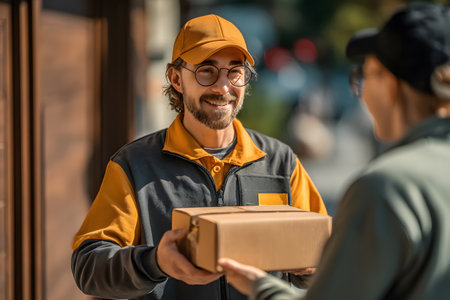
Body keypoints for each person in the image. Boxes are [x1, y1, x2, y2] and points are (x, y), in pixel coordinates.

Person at [71, 14, 328, 300]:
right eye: (207, 70)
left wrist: (312, 267)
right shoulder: (134, 165)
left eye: (235, 71)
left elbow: (325, 256)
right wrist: (154, 262)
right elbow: (88, 267)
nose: (223, 88)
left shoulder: (280, 162)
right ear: (176, 78)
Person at [218, 2, 450, 299]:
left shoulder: (389, 189)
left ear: (390, 84)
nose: (362, 90)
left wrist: (259, 286)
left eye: (365, 75)